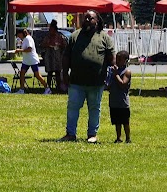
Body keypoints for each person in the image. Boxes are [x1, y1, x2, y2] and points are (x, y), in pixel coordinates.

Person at [59, 10, 115, 143]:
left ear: (97, 21)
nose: (88, 20)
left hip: (96, 82)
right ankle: (70, 134)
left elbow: (111, 58)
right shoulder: (75, 36)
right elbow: (66, 56)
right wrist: (64, 73)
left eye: (91, 18)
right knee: (73, 107)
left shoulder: (104, 37)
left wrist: (111, 76)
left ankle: (92, 134)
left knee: (94, 108)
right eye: (86, 18)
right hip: (76, 81)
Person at [14, 28, 50, 94]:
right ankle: (22, 90)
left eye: (18, 34)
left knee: (37, 75)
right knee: (22, 74)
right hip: (26, 60)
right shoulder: (24, 39)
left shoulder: (28, 38)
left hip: (32, 60)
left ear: (22, 33)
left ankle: (47, 88)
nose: (18, 36)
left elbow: (29, 49)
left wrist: (19, 50)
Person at [107, 50, 132, 143]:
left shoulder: (127, 72)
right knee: (116, 122)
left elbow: (122, 84)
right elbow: (108, 85)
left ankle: (128, 138)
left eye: (119, 59)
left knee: (125, 122)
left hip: (123, 102)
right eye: (116, 59)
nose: (117, 61)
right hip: (114, 100)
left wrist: (116, 74)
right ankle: (118, 138)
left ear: (125, 61)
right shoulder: (113, 71)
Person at [42, 20, 66, 91]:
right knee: (49, 72)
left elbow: (64, 45)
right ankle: (48, 87)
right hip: (49, 56)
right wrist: (48, 44)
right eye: (50, 30)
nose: (50, 31)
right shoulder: (47, 37)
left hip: (57, 57)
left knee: (58, 72)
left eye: (51, 30)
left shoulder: (60, 36)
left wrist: (59, 45)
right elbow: (42, 44)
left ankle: (58, 87)